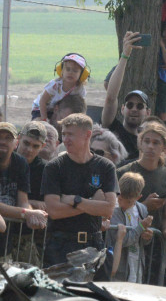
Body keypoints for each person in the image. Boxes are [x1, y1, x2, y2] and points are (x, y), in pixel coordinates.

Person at [41, 113, 117, 267]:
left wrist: (76, 201)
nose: (65, 139)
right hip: (61, 246)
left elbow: (108, 209)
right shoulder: (54, 167)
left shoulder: (106, 167)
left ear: (87, 135)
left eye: (70, 135)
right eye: (64, 134)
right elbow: (54, 211)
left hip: (93, 244)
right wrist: (92, 204)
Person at [116, 121, 166, 244]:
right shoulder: (122, 172)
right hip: (126, 242)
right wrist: (144, 206)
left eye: (156, 143)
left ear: (164, 147)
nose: (150, 146)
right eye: (147, 141)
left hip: (156, 246)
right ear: (140, 143)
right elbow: (115, 209)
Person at [0, 122, 47, 229]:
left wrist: (33, 216)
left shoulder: (21, 162)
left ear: (15, 142)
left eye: (8, 138)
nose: (3, 142)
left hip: (8, 230)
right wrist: (26, 213)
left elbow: (23, 202)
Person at [101, 31, 148, 162]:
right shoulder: (113, 129)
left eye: (140, 106)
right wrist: (125, 55)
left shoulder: (147, 143)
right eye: (129, 105)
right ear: (122, 109)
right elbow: (111, 97)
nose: (134, 109)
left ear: (148, 112)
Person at [108, 172, 153, 282]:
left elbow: (142, 240)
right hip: (119, 268)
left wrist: (147, 237)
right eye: (120, 198)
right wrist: (140, 227)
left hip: (136, 265)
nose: (121, 203)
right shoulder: (114, 210)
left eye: (128, 201)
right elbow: (121, 240)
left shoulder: (142, 210)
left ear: (138, 197)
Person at [32, 53, 89, 121]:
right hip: (40, 108)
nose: (70, 73)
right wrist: (44, 119)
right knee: (39, 125)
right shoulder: (55, 85)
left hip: (56, 110)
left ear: (82, 74)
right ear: (61, 71)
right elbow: (42, 101)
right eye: (68, 69)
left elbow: (80, 107)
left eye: (75, 71)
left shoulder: (80, 89)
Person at [16, 122, 48, 210]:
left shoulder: (46, 170)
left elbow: (52, 203)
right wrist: (30, 203)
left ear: (42, 146)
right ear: (19, 138)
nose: (29, 149)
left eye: (35, 146)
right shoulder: (6, 160)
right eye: (26, 143)